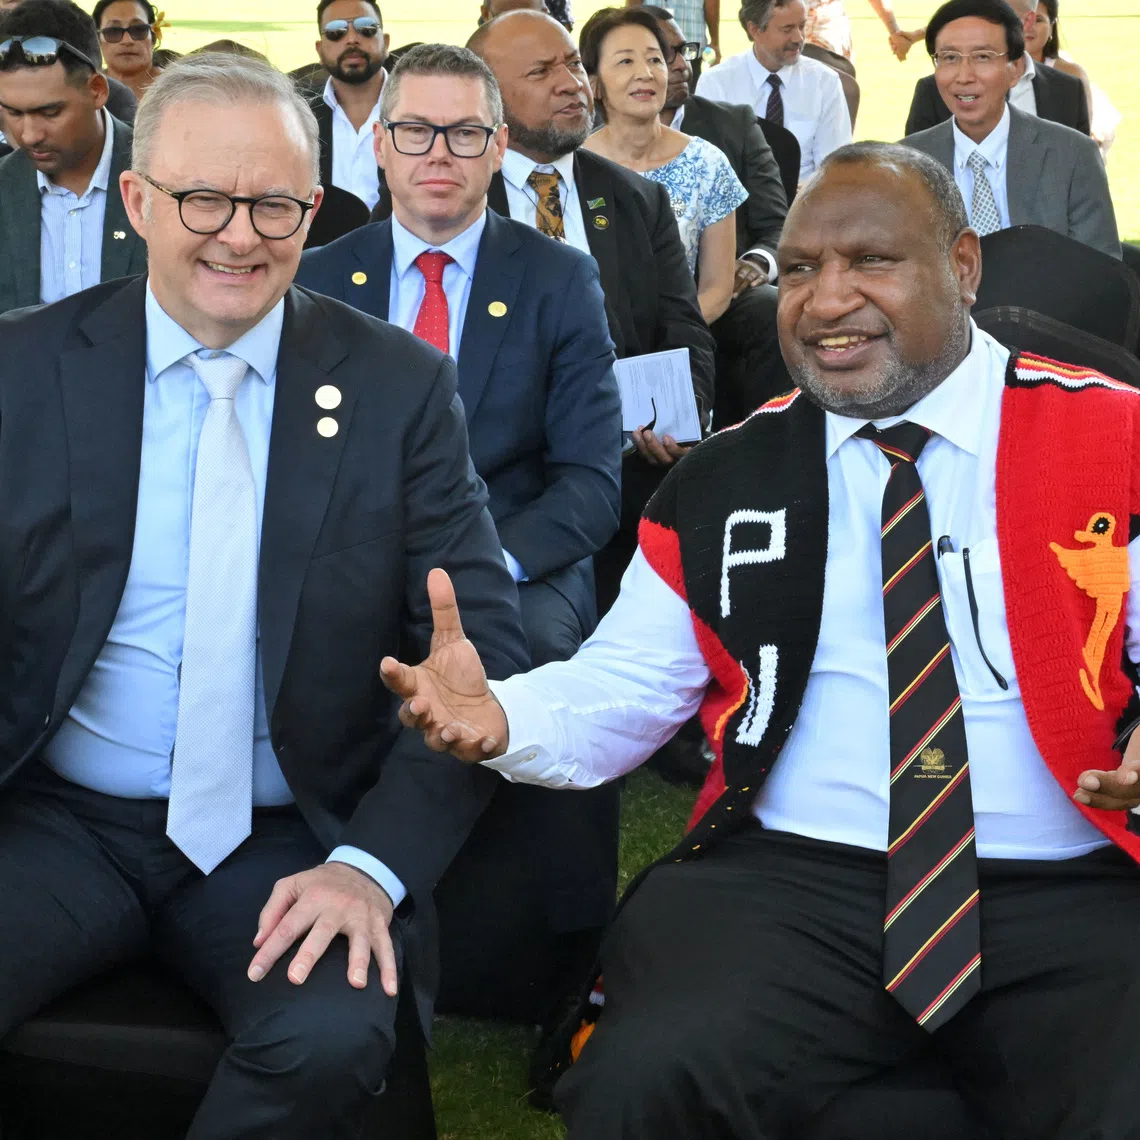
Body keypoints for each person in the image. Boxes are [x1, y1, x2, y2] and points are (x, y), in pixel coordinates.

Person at [382, 139, 1140, 1140]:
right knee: (637, 1084)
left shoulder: (1114, 439)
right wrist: (505, 714)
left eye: (872, 262)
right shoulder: (727, 477)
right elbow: (626, 689)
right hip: (795, 878)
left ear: (962, 266)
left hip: (1072, 877)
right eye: (798, 270)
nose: (825, 302)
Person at [0, 50, 529, 1140]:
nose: (241, 235)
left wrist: (371, 868)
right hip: (55, 818)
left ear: (314, 207)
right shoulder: (25, 369)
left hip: (285, 833)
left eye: (276, 204)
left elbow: (476, 657)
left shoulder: (399, 387)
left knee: (330, 1039)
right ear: (139, 201)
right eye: (205, 198)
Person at [296, 42, 624, 1023]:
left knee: (538, 657)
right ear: (382, 149)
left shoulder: (559, 278)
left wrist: (486, 560)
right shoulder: (319, 280)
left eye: (465, 133)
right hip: (356, 557)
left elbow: (592, 482)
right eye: (418, 131)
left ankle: (561, 962)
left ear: (498, 149)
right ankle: (331, 893)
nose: (440, 152)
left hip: (519, 553)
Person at [464, 10, 716, 620]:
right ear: (487, 97)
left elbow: (683, 325)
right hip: (496, 480)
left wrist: (684, 415)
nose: (571, 83)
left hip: (627, 461)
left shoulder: (634, 198)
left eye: (574, 64)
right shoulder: (458, 196)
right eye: (542, 71)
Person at [644, 2, 790, 426]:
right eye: (662, 54)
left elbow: (779, 225)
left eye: (685, 50)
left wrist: (758, 263)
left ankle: (768, 440)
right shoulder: (592, 140)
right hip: (626, 304)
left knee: (771, 308)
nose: (682, 65)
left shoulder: (733, 126)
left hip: (726, 294)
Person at [903, 0, 1119, 260]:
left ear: (1015, 68)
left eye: (982, 57)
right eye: (949, 58)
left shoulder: (1073, 155)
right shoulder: (906, 163)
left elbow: (1100, 269)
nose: (964, 76)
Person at [580, 7, 746, 326]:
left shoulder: (707, 164)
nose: (646, 73)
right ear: (594, 84)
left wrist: (668, 341)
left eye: (655, 59)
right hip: (588, 349)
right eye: (626, 61)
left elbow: (717, 289)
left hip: (680, 342)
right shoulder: (570, 169)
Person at [0, 0, 146, 314]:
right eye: (12, 112)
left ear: (97, 91)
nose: (29, 135)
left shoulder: (163, 175)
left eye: (50, 112)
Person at [696, 0, 851, 183]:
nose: (798, 38)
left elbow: (835, 166)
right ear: (754, 30)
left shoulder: (825, 82)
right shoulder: (716, 83)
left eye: (802, 26)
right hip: (741, 205)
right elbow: (707, 168)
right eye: (787, 29)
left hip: (807, 203)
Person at [904, 0, 1088, 135]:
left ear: (1027, 21)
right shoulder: (931, 91)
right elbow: (916, 171)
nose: (965, 77)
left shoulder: (1069, 91)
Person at [310, 0, 388, 212]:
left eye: (366, 29)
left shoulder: (416, 109)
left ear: (386, 42)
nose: (352, 39)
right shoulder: (301, 117)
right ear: (320, 49)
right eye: (336, 32)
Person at [1024, 0, 1118, 155]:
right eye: (1024, 19)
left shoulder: (1070, 75)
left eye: (1039, 20)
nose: (1029, 27)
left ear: (1052, 26)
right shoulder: (995, 72)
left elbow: (1082, 135)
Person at [92, 0, 159, 101]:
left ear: (153, 37)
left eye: (138, 29)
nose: (127, 40)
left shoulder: (177, 86)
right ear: (97, 40)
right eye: (113, 31)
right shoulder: (86, 90)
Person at [623, 0, 721, 65]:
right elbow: (711, 8)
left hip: (651, 43)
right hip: (689, 45)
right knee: (687, 90)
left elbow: (633, 6)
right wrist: (714, 42)